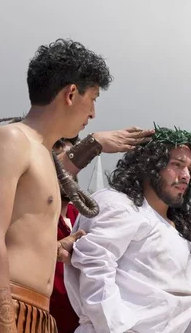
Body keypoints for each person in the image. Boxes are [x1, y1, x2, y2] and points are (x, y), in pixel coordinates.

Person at [0, 38, 111, 333]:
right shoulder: (10, 140)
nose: (93, 113)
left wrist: (55, 247)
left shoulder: (44, 156)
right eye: (93, 98)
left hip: (37, 315)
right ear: (71, 93)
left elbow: (16, 239)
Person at [65, 125, 191, 333]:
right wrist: (114, 326)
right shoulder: (120, 206)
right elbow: (96, 265)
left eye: (190, 169)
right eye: (177, 164)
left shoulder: (183, 236)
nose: (186, 175)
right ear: (150, 165)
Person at [49, 129, 153, 333]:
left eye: (74, 169)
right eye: (63, 165)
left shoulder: (86, 216)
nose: (68, 174)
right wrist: (94, 143)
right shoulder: (26, 217)